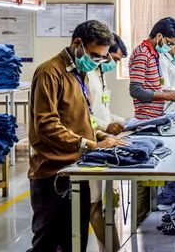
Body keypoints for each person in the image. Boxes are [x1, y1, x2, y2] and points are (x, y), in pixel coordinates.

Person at [28, 20, 126, 252]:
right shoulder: (49, 73)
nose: (97, 61)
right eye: (94, 55)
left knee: (74, 242)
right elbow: (46, 124)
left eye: (102, 57)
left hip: (76, 169)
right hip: (52, 172)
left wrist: (101, 135)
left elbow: (82, 118)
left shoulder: (79, 72)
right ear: (77, 44)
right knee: (47, 243)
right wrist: (91, 144)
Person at [86, 32, 127, 252]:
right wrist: (104, 130)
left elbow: (104, 111)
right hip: (91, 143)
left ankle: (109, 248)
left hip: (101, 139)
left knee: (102, 205)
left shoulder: (99, 73)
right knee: (94, 206)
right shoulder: (86, 74)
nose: (114, 63)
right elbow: (87, 115)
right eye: (115, 58)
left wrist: (127, 122)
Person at [129, 17, 175, 120]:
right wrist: (165, 96)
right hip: (146, 118)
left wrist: (169, 93)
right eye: (169, 43)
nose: (170, 47)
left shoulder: (155, 54)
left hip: (157, 116)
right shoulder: (142, 54)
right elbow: (135, 91)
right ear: (159, 36)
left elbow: (153, 86)